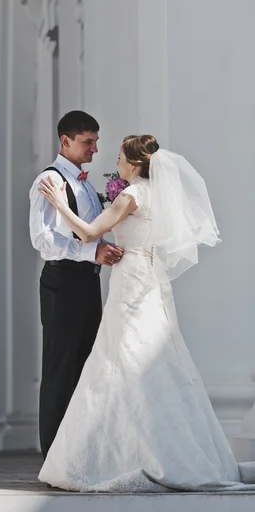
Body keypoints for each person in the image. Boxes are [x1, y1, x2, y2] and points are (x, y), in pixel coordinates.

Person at [36, 134, 255, 492]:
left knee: (119, 355)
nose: (117, 163)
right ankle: (156, 447)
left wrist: (61, 204)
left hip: (131, 278)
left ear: (135, 163)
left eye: (121, 158)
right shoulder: (155, 194)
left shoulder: (131, 194)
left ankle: (117, 455)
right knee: (147, 354)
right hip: (148, 274)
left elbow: (90, 233)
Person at [29, 111, 127, 461]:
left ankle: (80, 452)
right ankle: (54, 456)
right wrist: (92, 251)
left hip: (87, 282)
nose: (95, 148)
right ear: (65, 141)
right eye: (88, 141)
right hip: (62, 281)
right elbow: (43, 240)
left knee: (87, 364)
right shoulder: (49, 181)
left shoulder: (85, 182)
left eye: (96, 140)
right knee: (60, 366)